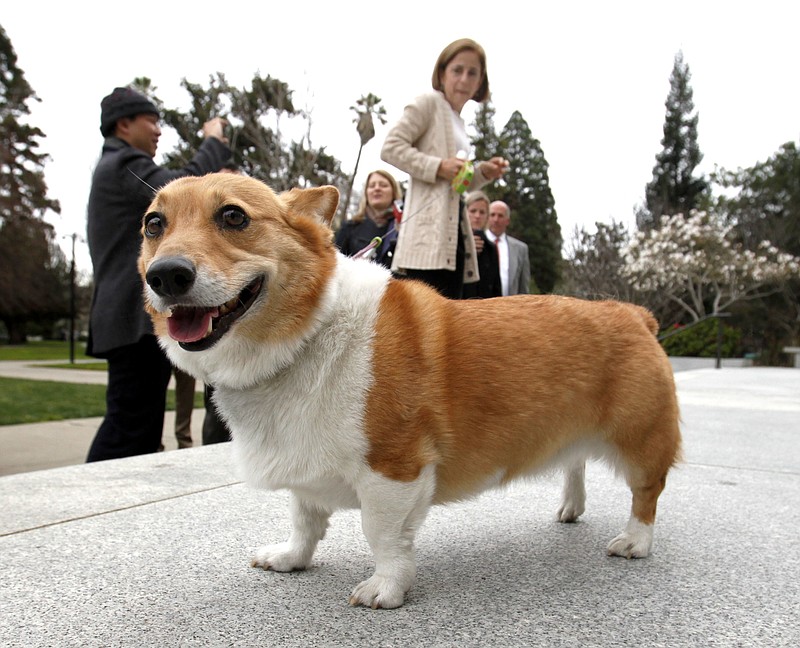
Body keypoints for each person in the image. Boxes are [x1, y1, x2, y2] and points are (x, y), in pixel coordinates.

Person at [85, 86, 232, 462]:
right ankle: (93, 507)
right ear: (123, 124)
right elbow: (187, 185)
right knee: (129, 428)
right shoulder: (121, 164)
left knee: (138, 424)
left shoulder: (113, 167)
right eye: (151, 120)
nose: (158, 130)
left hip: (127, 318)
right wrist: (213, 140)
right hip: (132, 318)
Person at [381, 38, 508, 298]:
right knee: (422, 326)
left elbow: (457, 183)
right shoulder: (429, 103)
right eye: (457, 70)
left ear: (480, 80)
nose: (464, 79)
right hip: (426, 241)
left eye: (472, 73)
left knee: (448, 328)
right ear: (442, 73)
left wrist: (484, 172)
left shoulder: (460, 123)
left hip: (454, 241)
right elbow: (390, 148)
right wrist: (438, 166)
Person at [335, 169, 402, 268]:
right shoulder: (350, 227)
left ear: (394, 192)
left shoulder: (402, 228)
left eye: (383, 185)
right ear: (366, 193)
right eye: (372, 186)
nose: (377, 188)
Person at [462, 190, 501, 299]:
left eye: (482, 212)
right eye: (473, 211)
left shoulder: (491, 248)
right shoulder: (455, 245)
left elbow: (496, 287)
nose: (477, 216)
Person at [487, 200, 531, 296]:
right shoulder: (476, 243)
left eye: (500, 215)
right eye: (492, 215)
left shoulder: (520, 249)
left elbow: (523, 287)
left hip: (509, 307)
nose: (496, 219)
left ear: (507, 221)